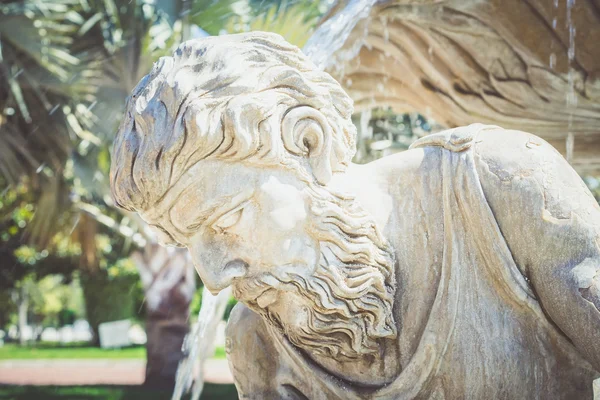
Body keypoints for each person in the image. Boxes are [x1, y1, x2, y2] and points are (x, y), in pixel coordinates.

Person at [110, 32, 600, 399]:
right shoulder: (258, 340)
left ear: (308, 144)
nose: (214, 278)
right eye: (186, 242)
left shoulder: (499, 185)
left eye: (228, 220)